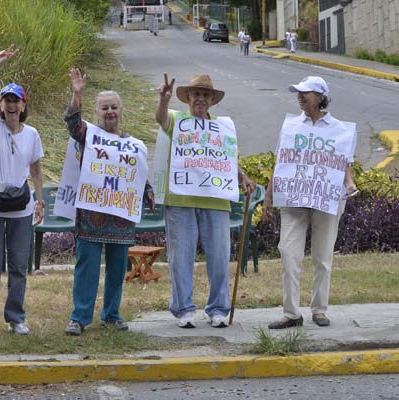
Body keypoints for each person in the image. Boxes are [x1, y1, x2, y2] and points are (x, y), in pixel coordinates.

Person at [155, 73, 255, 329]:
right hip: (181, 199)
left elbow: (226, 159)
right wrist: (164, 100)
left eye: (205, 94)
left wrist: (242, 176)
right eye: (195, 94)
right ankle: (183, 309)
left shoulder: (222, 127)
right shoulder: (178, 120)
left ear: (212, 100)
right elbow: (161, 119)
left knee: (220, 257)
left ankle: (219, 308)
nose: (200, 98)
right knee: (181, 257)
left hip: (216, 199)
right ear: (188, 98)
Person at [64, 67, 155, 336]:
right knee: (87, 267)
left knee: (117, 269)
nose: (110, 112)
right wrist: (76, 94)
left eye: (114, 107)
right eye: (104, 108)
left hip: (120, 215)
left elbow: (137, 174)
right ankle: (79, 317)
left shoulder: (134, 144)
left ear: (121, 109)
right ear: (96, 112)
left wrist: (147, 191)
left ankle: (112, 314)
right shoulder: (88, 134)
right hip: (92, 213)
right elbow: (71, 123)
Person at [263, 76, 358, 329]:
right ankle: (292, 313)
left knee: (322, 256)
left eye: (306, 92)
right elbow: (282, 162)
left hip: (326, 197)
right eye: (298, 92)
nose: (300, 96)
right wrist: (269, 196)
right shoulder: (291, 126)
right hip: (294, 198)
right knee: (288, 252)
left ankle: (319, 309)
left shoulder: (339, 130)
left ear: (320, 97)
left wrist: (349, 184)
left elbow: (343, 163)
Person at [0, 46, 44, 338]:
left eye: (16, 100)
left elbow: (36, 170)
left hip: (21, 207)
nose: (11, 105)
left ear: (23, 105)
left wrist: (40, 200)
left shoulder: (32, 134)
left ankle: (16, 317)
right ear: (1, 106)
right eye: (7, 101)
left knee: (18, 264)